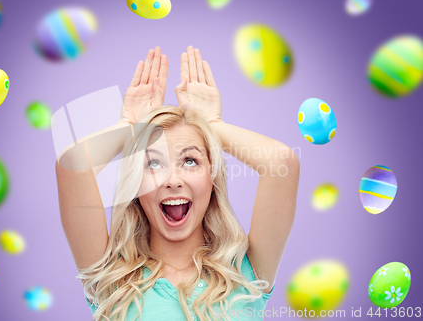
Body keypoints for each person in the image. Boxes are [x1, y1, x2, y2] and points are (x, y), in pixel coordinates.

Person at [55, 46, 300, 321]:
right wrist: (131, 125)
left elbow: (282, 163)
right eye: (153, 164)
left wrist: (210, 123)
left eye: (191, 161)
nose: (172, 180)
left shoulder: (247, 271)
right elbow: (73, 165)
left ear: (212, 178)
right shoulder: (110, 278)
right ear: (136, 184)